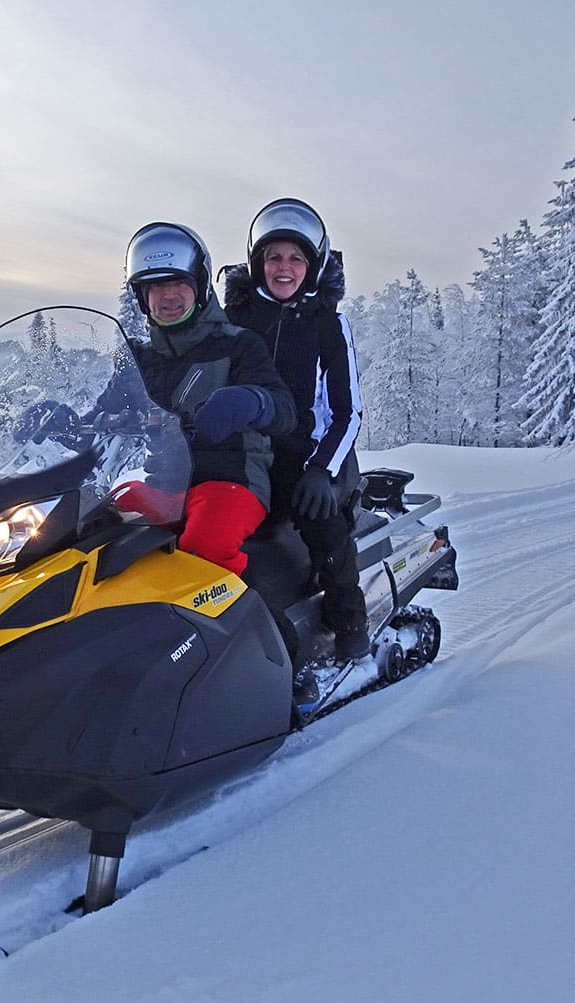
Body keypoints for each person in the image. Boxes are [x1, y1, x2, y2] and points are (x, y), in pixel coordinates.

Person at [222, 198, 370, 661]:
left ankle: (349, 620)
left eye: (295, 258)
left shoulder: (327, 324)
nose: (284, 268)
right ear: (258, 263)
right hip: (244, 457)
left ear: (312, 265)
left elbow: (349, 413)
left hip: (306, 457)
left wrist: (322, 470)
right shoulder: (236, 319)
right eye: (274, 257)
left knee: (321, 520)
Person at [115, 221, 297, 576]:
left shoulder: (238, 344)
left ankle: (248, 626)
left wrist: (249, 401)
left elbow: (285, 409)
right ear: (142, 297)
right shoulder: (139, 359)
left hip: (231, 481)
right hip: (166, 487)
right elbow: (106, 413)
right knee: (98, 527)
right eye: (156, 286)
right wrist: (64, 420)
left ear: (199, 287)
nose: (169, 296)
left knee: (204, 545)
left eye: (179, 283)